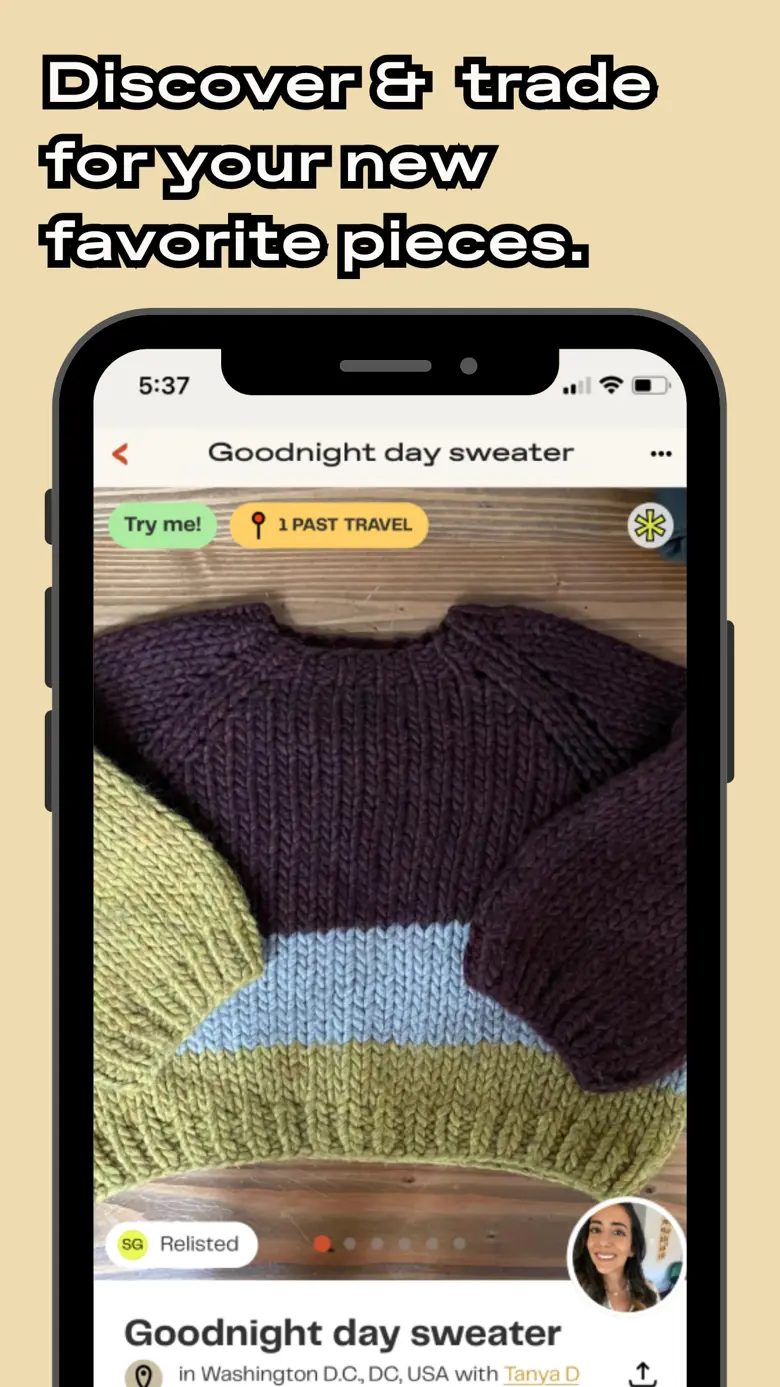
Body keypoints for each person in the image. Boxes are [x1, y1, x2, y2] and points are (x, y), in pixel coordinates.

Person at [573, 1204, 660, 1311]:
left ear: (632, 1248)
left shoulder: (650, 1290)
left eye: (618, 1232)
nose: (603, 1242)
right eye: (595, 1230)